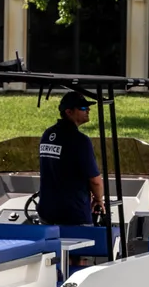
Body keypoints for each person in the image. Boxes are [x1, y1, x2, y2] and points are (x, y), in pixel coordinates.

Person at [36, 91, 105, 227]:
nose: (88, 110)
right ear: (69, 112)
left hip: (47, 211)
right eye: (83, 108)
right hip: (74, 214)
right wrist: (98, 199)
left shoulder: (48, 134)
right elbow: (95, 181)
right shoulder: (80, 141)